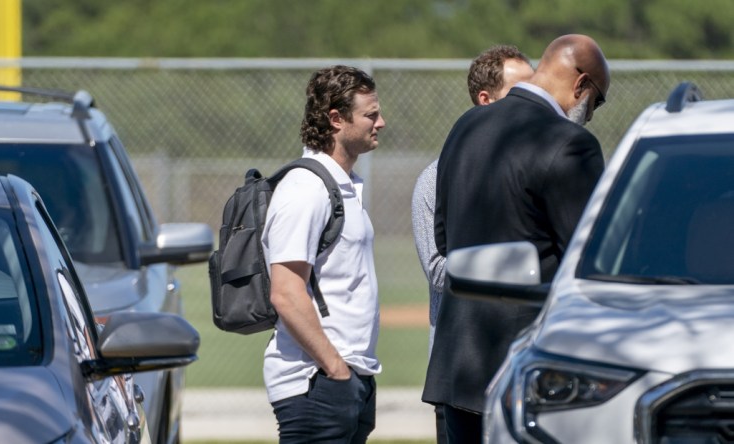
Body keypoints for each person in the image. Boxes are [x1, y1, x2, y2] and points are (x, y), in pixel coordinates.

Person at [423, 34, 609, 443]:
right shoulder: (570, 144)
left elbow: (444, 237)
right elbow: (590, 263)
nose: (590, 114)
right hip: (528, 375)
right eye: (596, 102)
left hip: (459, 366)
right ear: (580, 86)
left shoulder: (465, 126)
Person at [410, 44, 533, 444]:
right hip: (464, 372)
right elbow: (439, 269)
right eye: (522, 89)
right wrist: (514, 264)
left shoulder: (536, 167)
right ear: (485, 100)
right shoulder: (437, 176)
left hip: (526, 367)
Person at [261, 65, 385, 443]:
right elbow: (285, 292)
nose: (381, 123)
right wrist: (335, 369)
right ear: (336, 119)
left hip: (345, 378)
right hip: (316, 382)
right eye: (371, 115)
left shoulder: (341, 185)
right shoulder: (306, 190)